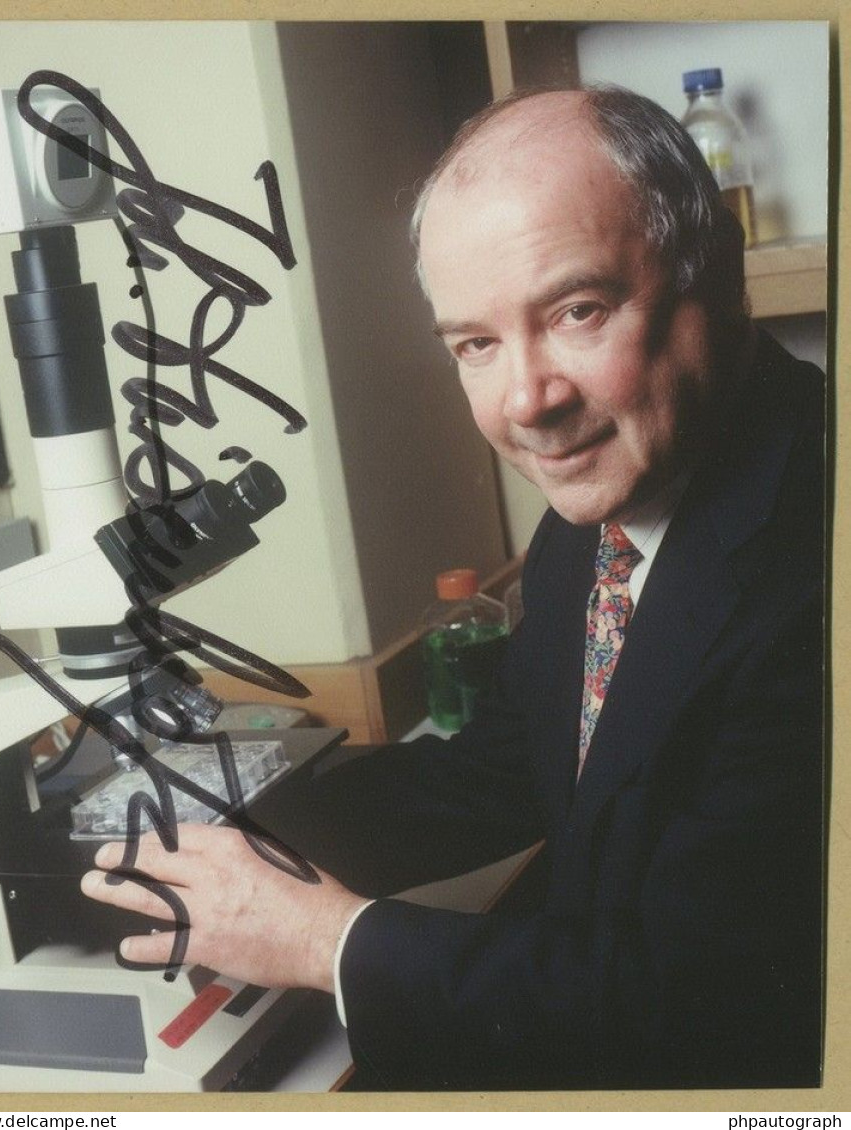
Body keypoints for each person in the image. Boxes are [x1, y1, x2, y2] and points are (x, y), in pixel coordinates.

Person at [81, 87, 825, 1090]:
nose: (527, 401)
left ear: (718, 279)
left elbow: (705, 1004)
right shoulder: (609, 502)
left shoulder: (810, 555)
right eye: (475, 342)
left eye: (577, 310)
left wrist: (325, 940)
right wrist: (233, 841)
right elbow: (514, 762)